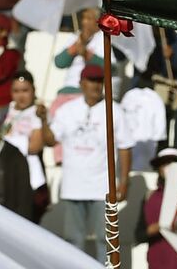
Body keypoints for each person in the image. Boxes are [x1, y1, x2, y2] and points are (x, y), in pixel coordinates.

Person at [50, 65, 132, 259]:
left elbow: (125, 147)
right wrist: (42, 121)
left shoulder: (115, 110)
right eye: (91, 80)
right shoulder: (67, 110)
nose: (95, 85)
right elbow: (50, 139)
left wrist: (124, 181)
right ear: (81, 83)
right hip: (73, 186)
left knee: (106, 239)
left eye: (99, 81)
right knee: (73, 239)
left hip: (101, 187)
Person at [0, 71, 51, 221]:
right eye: (16, 91)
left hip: (28, 176)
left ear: (33, 90)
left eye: (25, 90)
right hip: (5, 174)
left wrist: (9, 141)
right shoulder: (5, 111)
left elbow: (34, 145)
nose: (21, 96)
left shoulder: (38, 112)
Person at [138, 147, 177, 269]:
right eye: (165, 164)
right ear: (159, 169)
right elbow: (139, 235)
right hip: (157, 263)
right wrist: (158, 227)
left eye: (173, 163)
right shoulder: (149, 197)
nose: (169, 168)